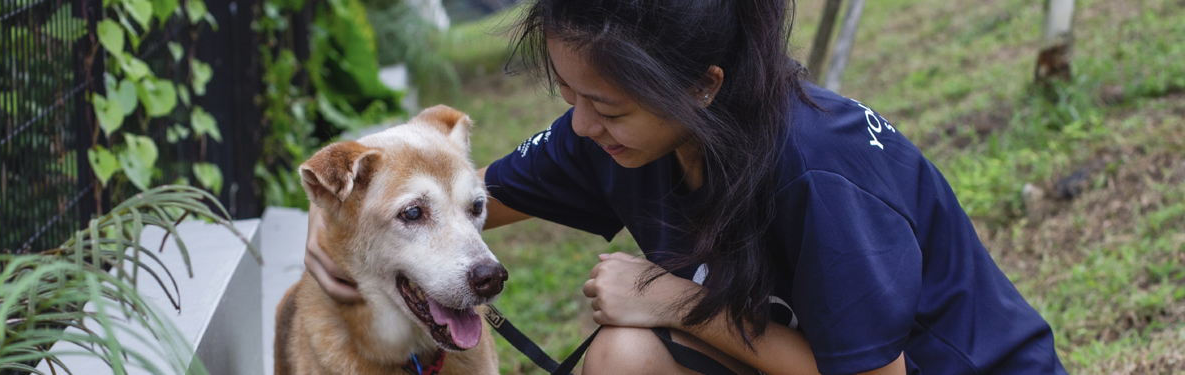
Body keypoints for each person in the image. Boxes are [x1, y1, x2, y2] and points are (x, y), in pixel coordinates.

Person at [303, 0, 1069, 374]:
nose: (581, 124)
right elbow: (468, 196)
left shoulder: (819, 171)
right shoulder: (611, 134)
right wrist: (348, 234)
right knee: (622, 357)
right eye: (569, 96)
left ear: (700, 88)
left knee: (635, 340)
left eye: (605, 105)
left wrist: (673, 302)